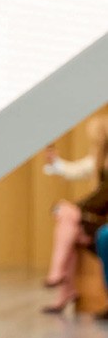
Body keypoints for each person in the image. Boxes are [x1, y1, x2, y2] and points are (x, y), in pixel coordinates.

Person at [42, 115, 108, 315]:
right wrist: (56, 163)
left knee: (67, 216)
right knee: (68, 224)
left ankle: (59, 279)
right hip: (95, 218)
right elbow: (75, 170)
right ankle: (63, 286)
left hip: (100, 218)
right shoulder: (97, 159)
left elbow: (101, 198)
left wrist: (74, 208)